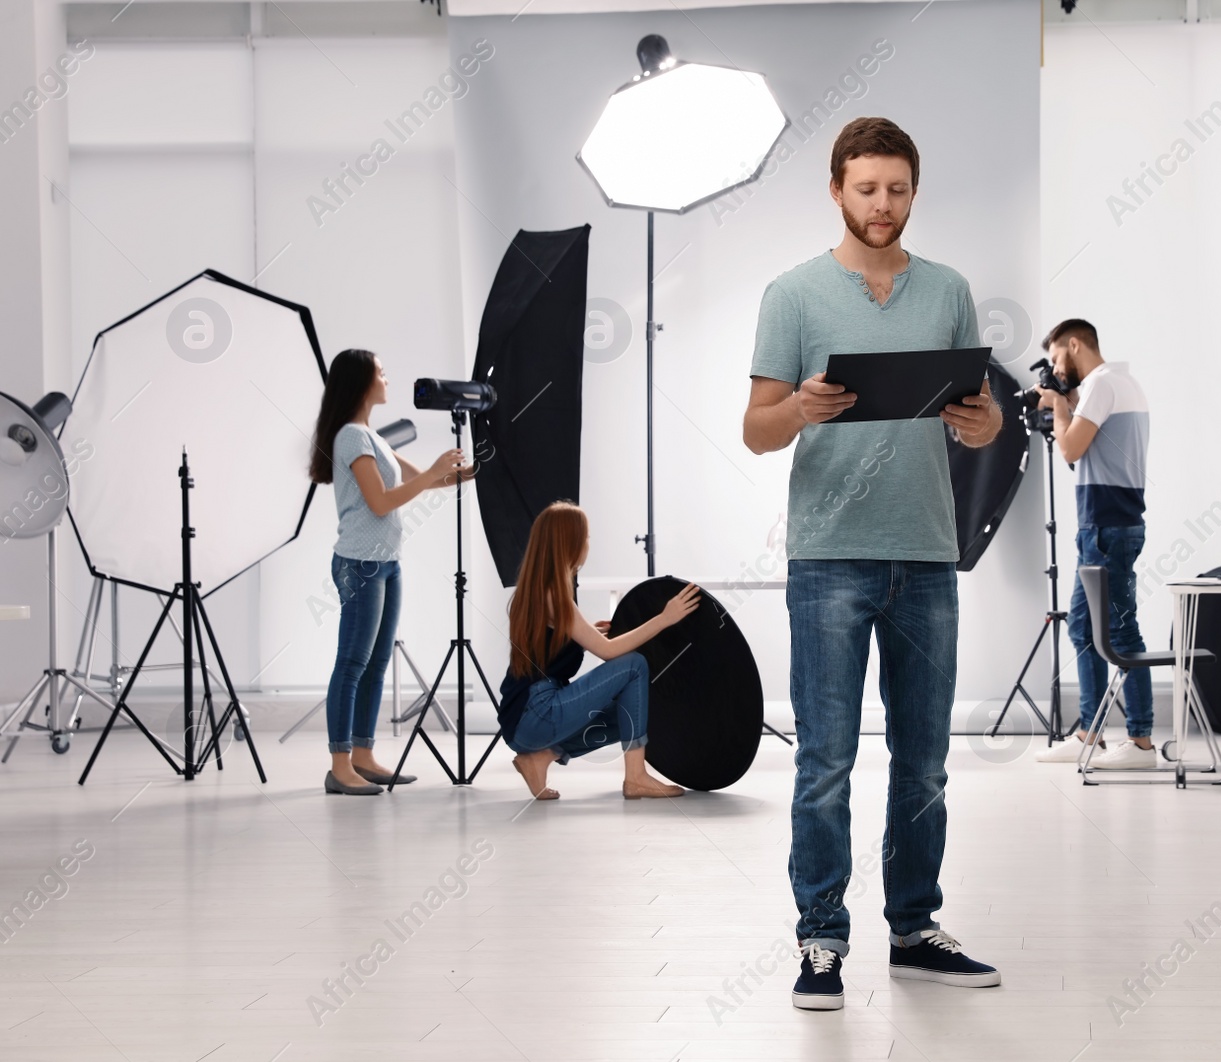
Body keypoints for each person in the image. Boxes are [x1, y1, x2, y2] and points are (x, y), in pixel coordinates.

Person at [742, 116, 1005, 1011]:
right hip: (828, 561)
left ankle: (914, 930)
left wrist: (986, 425)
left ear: (913, 191)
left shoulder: (949, 291)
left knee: (924, 761)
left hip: (927, 554)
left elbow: (983, 413)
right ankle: (821, 940)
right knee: (824, 760)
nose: (881, 205)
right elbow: (755, 430)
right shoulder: (794, 295)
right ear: (836, 190)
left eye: (896, 189)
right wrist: (804, 411)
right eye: (866, 189)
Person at [309, 349, 473, 795]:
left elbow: (430, 480)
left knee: (377, 663)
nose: (387, 377)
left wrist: (470, 471)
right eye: (380, 372)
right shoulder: (349, 438)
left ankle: (363, 756)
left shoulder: (372, 436)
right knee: (352, 663)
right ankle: (339, 766)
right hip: (360, 564)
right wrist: (434, 472)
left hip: (387, 562)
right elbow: (381, 501)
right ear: (362, 382)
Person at [498, 500, 701, 801]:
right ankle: (636, 778)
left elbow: (549, 646)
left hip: (526, 721)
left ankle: (539, 758)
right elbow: (608, 652)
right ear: (571, 542)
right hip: (538, 711)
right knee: (635, 665)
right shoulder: (555, 594)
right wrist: (664, 618)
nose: (589, 544)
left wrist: (584, 633)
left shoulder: (540, 590)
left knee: (628, 717)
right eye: (587, 537)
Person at [1031, 319, 1155, 768]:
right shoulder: (1123, 384)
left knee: (1121, 631)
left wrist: (1059, 406)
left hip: (1106, 527)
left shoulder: (1103, 385)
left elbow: (1069, 450)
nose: (1055, 368)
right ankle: (1089, 732)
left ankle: (1141, 742)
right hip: (1104, 527)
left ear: (1074, 344)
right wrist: (1067, 403)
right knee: (1083, 630)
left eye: (1055, 357)